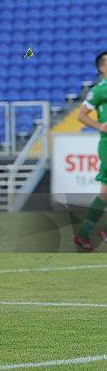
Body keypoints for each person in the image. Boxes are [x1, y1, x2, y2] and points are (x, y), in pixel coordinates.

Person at [74, 50, 107, 251]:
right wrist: (101, 126)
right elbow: (81, 115)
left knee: (105, 193)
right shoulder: (100, 90)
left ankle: (84, 234)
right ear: (102, 68)